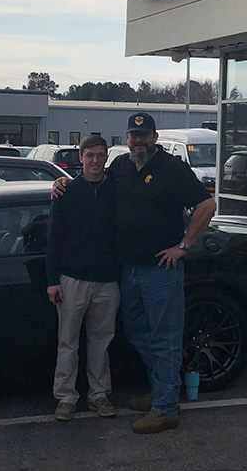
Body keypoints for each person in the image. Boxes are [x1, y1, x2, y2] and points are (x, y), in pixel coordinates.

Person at [53, 112, 216, 434]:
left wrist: (183, 246)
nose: (138, 141)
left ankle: (166, 407)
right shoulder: (122, 168)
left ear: (154, 138)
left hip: (161, 271)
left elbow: (206, 205)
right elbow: (92, 185)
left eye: (144, 135)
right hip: (127, 270)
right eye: (133, 135)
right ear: (127, 139)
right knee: (139, 333)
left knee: (165, 339)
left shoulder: (173, 168)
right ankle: (162, 389)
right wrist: (62, 182)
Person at [45, 135, 120, 422]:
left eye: (101, 155)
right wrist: (52, 280)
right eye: (90, 155)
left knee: (101, 341)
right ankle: (66, 397)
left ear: (106, 158)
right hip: (71, 279)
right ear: (81, 158)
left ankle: (99, 395)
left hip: (107, 280)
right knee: (68, 342)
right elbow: (54, 239)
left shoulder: (116, 190)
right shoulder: (66, 192)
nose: (96, 160)